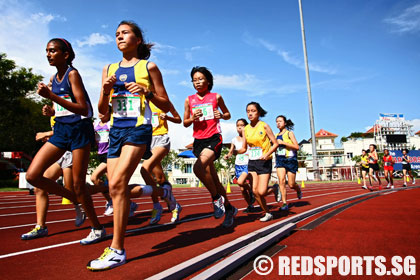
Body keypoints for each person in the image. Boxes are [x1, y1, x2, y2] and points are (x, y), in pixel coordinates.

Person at [88, 21, 176, 271]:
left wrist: (146, 92)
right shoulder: (108, 68)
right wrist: (105, 90)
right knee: (117, 189)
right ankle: (159, 193)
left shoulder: (149, 67)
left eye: (125, 33)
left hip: (138, 129)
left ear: (138, 39)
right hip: (115, 131)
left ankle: (117, 249)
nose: (119, 37)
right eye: (116, 34)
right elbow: (103, 111)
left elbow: (167, 105)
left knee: (116, 184)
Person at [25, 38, 105, 245]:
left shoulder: (72, 74)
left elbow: (84, 109)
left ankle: (97, 228)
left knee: (79, 184)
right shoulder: (54, 76)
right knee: (33, 176)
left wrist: (51, 95)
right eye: (46, 51)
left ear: (65, 54)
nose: (48, 54)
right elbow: (63, 108)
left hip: (79, 131)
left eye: (52, 51)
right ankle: (77, 200)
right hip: (60, 130)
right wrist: (50, 110)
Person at [183, 66, 237, 228]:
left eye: (201, 79)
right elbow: (185, 123)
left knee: (198, 168)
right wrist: (193, 118)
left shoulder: (216, 97)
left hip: (214, 138)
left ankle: (216, 198)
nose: (197, 82)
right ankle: (229, 208)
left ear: (208, 81)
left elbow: (228, 114)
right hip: (198, 141)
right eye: (194, 80)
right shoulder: (189, 99)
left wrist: (221, 115)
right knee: (214, 180)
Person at [21, 128, 85, 240]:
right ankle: (41, 226)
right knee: (39, 185)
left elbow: (72, 126)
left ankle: (100, 192)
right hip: (57, 147)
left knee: (72, 188)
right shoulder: (53, 111)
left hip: (71, 149)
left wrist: (46, 133)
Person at [141, 101, 182, 224]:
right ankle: (174, 204)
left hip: (161, 139)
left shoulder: (162, 101)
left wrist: (167, 117)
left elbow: (178, 119)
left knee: (145, 169)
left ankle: (156, 205)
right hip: (146, 140)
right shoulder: (140, 100)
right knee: (159, 179)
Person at [238, 102, 279, 222]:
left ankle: (274, 188)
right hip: (252, 161)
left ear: (259, 113)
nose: (250, 113)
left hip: (264, 161)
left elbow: (275, 143)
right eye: (248, 111)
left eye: (253, 111)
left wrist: (267, 154)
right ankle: (267, 212)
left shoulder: (264, 126)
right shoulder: (245, 129)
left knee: (261, 191)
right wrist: (233, 152)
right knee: (255, 191)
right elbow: (244, 148)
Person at [91, 111, 138, 217]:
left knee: (94, 177)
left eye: (104, 112)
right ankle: (129, 203)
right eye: (99, 112)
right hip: (100, 154)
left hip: (111, 154)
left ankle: (112, 202)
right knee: (111, 183)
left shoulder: (111, 123)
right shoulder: (95, 125)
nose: (101, 114)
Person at [224, 118, 255, 213]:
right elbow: (231, 151)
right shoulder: (234, 139)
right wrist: (228, 155)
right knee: (242, 189)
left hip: (248, 164)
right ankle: (250, 205)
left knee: (240, 182)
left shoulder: (249, 138)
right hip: (238, 165)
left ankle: (251, 191)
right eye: (237, 126)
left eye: (241, 125)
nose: (239, 128)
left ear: (246, 127)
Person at [274, 115, 301, 211]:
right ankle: (284, 203)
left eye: (280, 121)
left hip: (290, 160)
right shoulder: (276, 136)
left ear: (285, 123)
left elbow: (297, 147)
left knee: (291, 184)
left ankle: (297, 189)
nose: (278, 123)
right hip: (280, 160)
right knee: (281, 180)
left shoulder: (290, 133)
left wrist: (284, 143)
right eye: (277, 121)